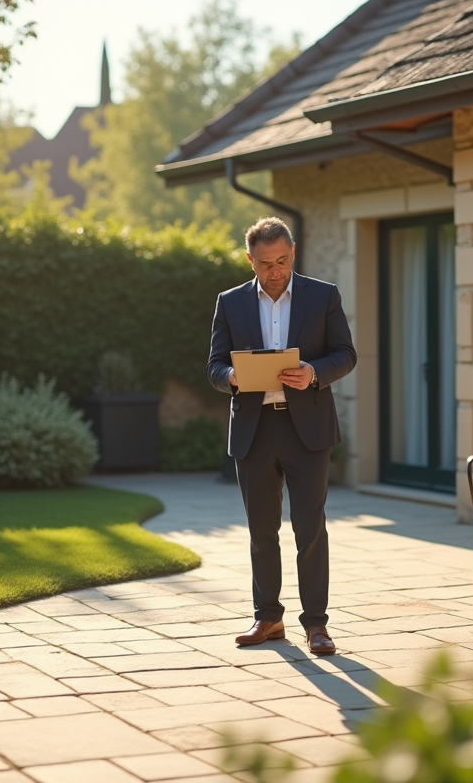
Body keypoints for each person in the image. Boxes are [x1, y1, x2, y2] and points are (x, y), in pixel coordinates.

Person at [207, 217, 357, 655]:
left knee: (310, 529)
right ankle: (268, 617)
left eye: (282, 261)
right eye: (265, 263)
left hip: (307, 428)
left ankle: (317, 625)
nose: (275, 272)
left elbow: (345, 354)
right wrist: (232, 377)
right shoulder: (230, 302)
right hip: (254, 429)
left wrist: (314, 372)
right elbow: (214, 366)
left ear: (293, 253)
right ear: (250, 260)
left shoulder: (323, 295)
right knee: (261, 529)